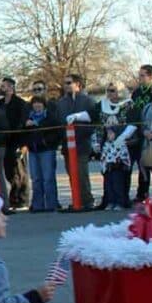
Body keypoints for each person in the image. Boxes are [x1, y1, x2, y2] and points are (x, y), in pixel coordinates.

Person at [57, 74, 97, 212]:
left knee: (81, 174)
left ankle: (87, 201)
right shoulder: (61, 102)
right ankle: (76, 200)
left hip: (81, 144)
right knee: (71, 173)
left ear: (78, 84)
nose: (66, 85)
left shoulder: (88, 101)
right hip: (67, 145)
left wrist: (81, 134)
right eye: (65, 83)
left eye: (69, 82)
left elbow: (94, 121)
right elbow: (59, 122)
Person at [94, 82, 133, 211]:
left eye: (113, 90)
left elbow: (131, 123)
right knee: (107, 173)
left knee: (119, 174)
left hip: (123, 144)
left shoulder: (128, 104)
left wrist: (119, 135)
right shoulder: (102, 105)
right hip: (107, 144)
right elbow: (99, 124)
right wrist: (98, 142)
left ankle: (121, 201)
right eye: (108, 90)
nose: (110, 93)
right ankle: (109, 200)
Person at [25, 96, 62, 212]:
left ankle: (51, 204)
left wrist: (47, 142)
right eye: (35, 103)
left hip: (47, 150)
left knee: (48, 178)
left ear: (44, 105)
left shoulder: (50, 117)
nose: (37, 105)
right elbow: (22, 132)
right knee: (36, 179)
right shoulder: (28, 118)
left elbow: (57, 133)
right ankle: (37, 205)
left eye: (39, 103)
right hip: (33, 151)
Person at [0, 77, 29, 212]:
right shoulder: (0, 104)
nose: (2, 89)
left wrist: (23, 145)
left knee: (19, 172)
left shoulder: (20, 103)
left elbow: (23, 122)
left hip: (18, 141)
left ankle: (21, 200)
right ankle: (14, 199)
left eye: (4, 86)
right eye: (1, 86)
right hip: (5, 142)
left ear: (11, 88)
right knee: (10, 172)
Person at [129, 65, 152, 203]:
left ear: (151, 76)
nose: (140, 78)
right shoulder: (136, 93)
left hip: (151, 132)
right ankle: (142, 193)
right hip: (138, 132)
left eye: (143, 75)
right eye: (139, 75)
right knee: (141, 164)